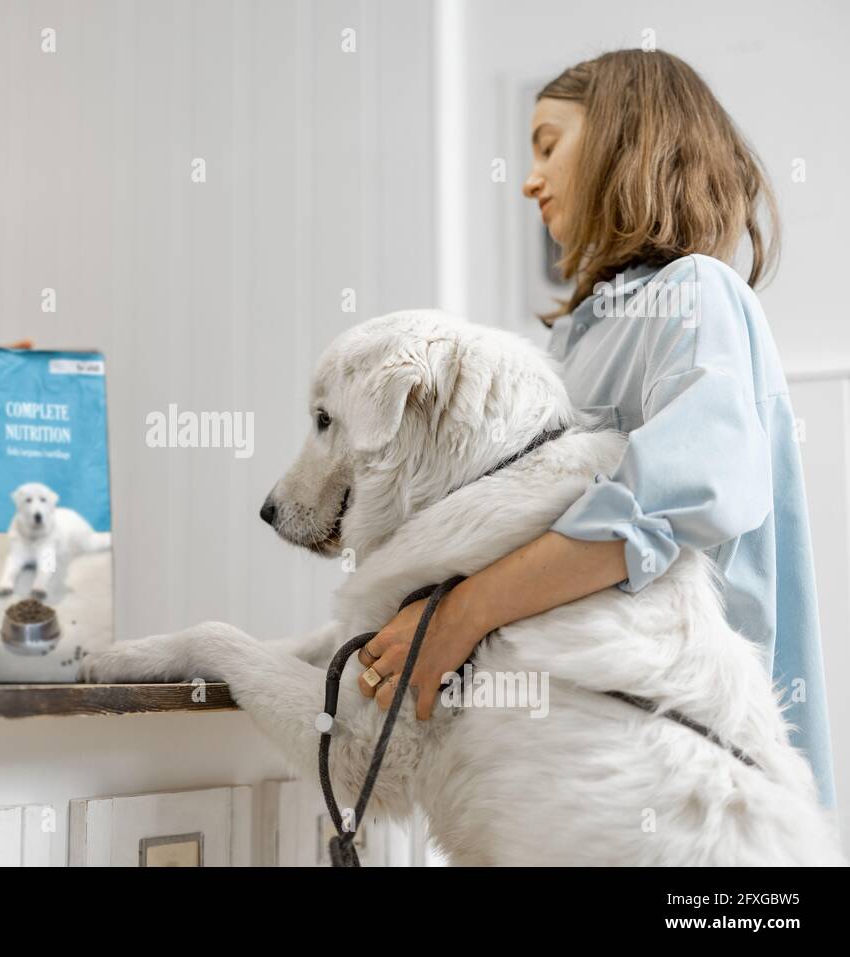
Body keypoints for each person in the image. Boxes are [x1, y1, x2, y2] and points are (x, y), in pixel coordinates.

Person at [357, 49, 836, 810]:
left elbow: (685, 498)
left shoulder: (696, 295)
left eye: (548, 144)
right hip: (584, 772)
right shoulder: (572, 344)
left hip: (694, 783)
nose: (528, 178)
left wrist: (462, 614)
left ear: (623, 137)